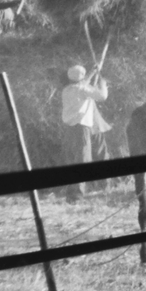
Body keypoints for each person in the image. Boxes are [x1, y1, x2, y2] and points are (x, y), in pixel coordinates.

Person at [59, 63, 110, 202]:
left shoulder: (68, 89)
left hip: (71, 128)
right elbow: (102, 96)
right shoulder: (83, 89)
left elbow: (82, 84)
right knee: (82, 160)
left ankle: (74, 193)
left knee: (75, 160)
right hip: (81, 128)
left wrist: (93, 73)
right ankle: (75, 196)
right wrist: (103, 82)